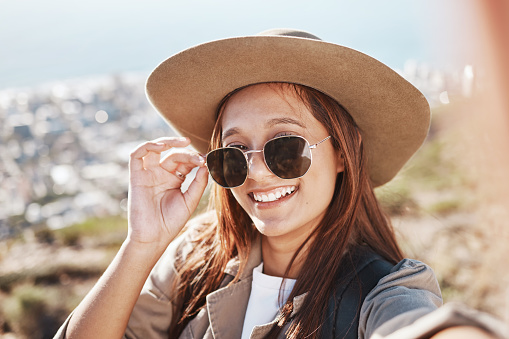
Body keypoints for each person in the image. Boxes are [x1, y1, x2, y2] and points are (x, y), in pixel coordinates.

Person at [54, 29, 505, 339]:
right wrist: (141, 244)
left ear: (344, 152)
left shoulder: (384, 291)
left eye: (284, 148)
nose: (256, 173)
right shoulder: (195, 260)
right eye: (232, 156)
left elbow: (416, 325)